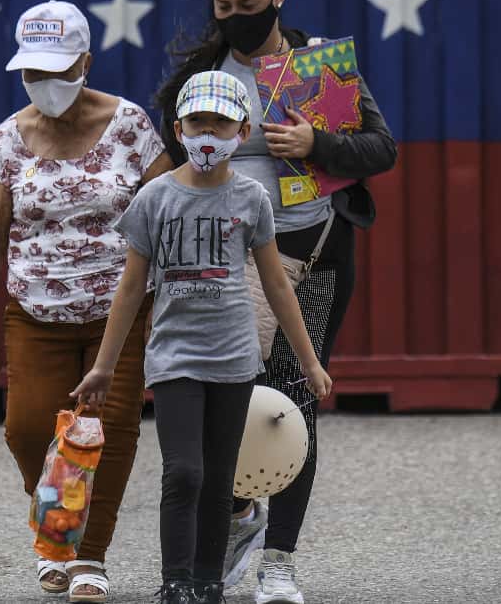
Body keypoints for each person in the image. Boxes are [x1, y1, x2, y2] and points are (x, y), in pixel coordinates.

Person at [154, 0, 399, 604]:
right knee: (222, 411)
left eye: (249, 6)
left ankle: (279, 564)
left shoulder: (318, 68)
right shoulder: (200, 76)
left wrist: (317, 143)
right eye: (224, 7)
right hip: (223, 266)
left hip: (313, 254)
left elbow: (381, 148)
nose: (235, 17)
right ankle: (236, 517)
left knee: (290, 408)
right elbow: (174, 162)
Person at [71, 70, 333, 604]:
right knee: (184, 471)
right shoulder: (155, 199)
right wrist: (103, 365)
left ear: (242, 132)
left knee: (220, 477)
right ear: (178, 128)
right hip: (174, 355)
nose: (208, 134)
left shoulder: (252, 198)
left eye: (220, 122)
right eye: (197, 121)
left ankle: (208, 583)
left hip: (234, 357)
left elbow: (278, 286)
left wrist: (308, 360)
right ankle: (175, 582)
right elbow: (129, 290)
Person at [0, 0, 171, 603]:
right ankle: (57, 525)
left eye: (57, 71)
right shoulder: (9, 138)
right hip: (35, 313)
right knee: (27, 429)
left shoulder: (131, 126)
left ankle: (86, 558)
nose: (45, 85)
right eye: (33, 73)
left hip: (121, 313)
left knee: (107, 433)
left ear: (86, 60)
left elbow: (166, 211)